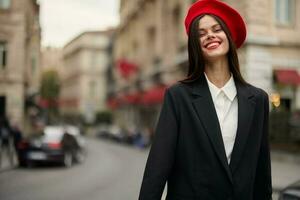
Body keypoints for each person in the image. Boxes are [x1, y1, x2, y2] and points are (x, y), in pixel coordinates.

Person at [138, 0, 272, 199]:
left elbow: (262, 172)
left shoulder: (258, 99)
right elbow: (158, 167)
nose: (210, 35)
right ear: (195, 45)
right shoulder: (178, 96)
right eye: (201, 33)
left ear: (229, 36)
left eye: (217, 29)